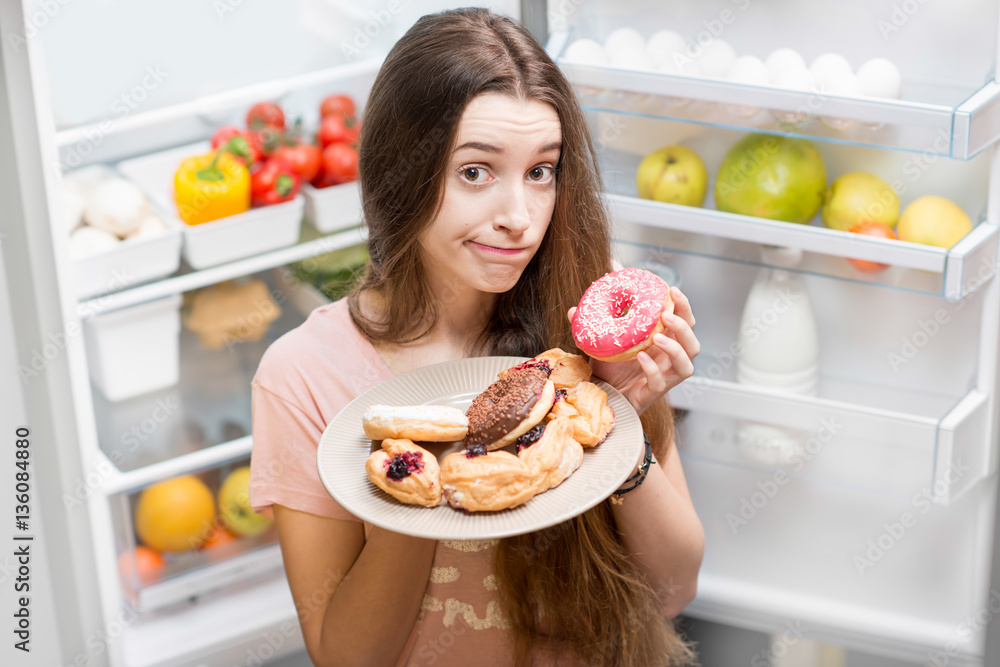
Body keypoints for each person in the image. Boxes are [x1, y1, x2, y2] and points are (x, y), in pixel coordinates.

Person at [249, 7, 704, 666]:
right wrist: (410, 486)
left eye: (541, 171)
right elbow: (346, 657)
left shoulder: (582, 326)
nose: (519, 217)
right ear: (399, 171)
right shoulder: (306, 375)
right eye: (475, 172)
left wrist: (620, 421)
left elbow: (672, 589)